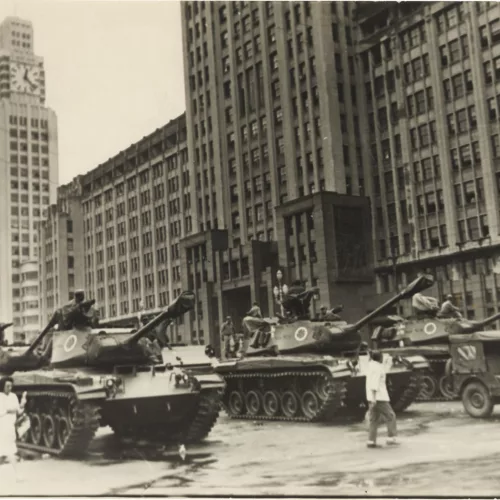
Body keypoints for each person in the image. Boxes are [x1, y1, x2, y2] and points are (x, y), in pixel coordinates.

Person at [365, 350, 398, 448]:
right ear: (379, 358)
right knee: (391, 415)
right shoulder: (377, 368)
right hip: (379, 397)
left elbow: (384, 369)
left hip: (371, 397)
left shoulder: (371, 366)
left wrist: (390, 360)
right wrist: (374, 398)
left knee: (374, 419)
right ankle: (391, 438)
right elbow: (374, 384)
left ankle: (371, 440)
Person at [0, 377, 26, 481]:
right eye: (7, 386)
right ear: (2, 386)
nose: (9, 388)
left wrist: (22, 404)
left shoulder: (14, 396)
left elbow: (19, 412)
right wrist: (11, 409)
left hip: (9, 427)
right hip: (2, 426)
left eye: (11, 386)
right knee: (10, 451)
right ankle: (17, 475)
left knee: (5, 452)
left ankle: (17, 475)